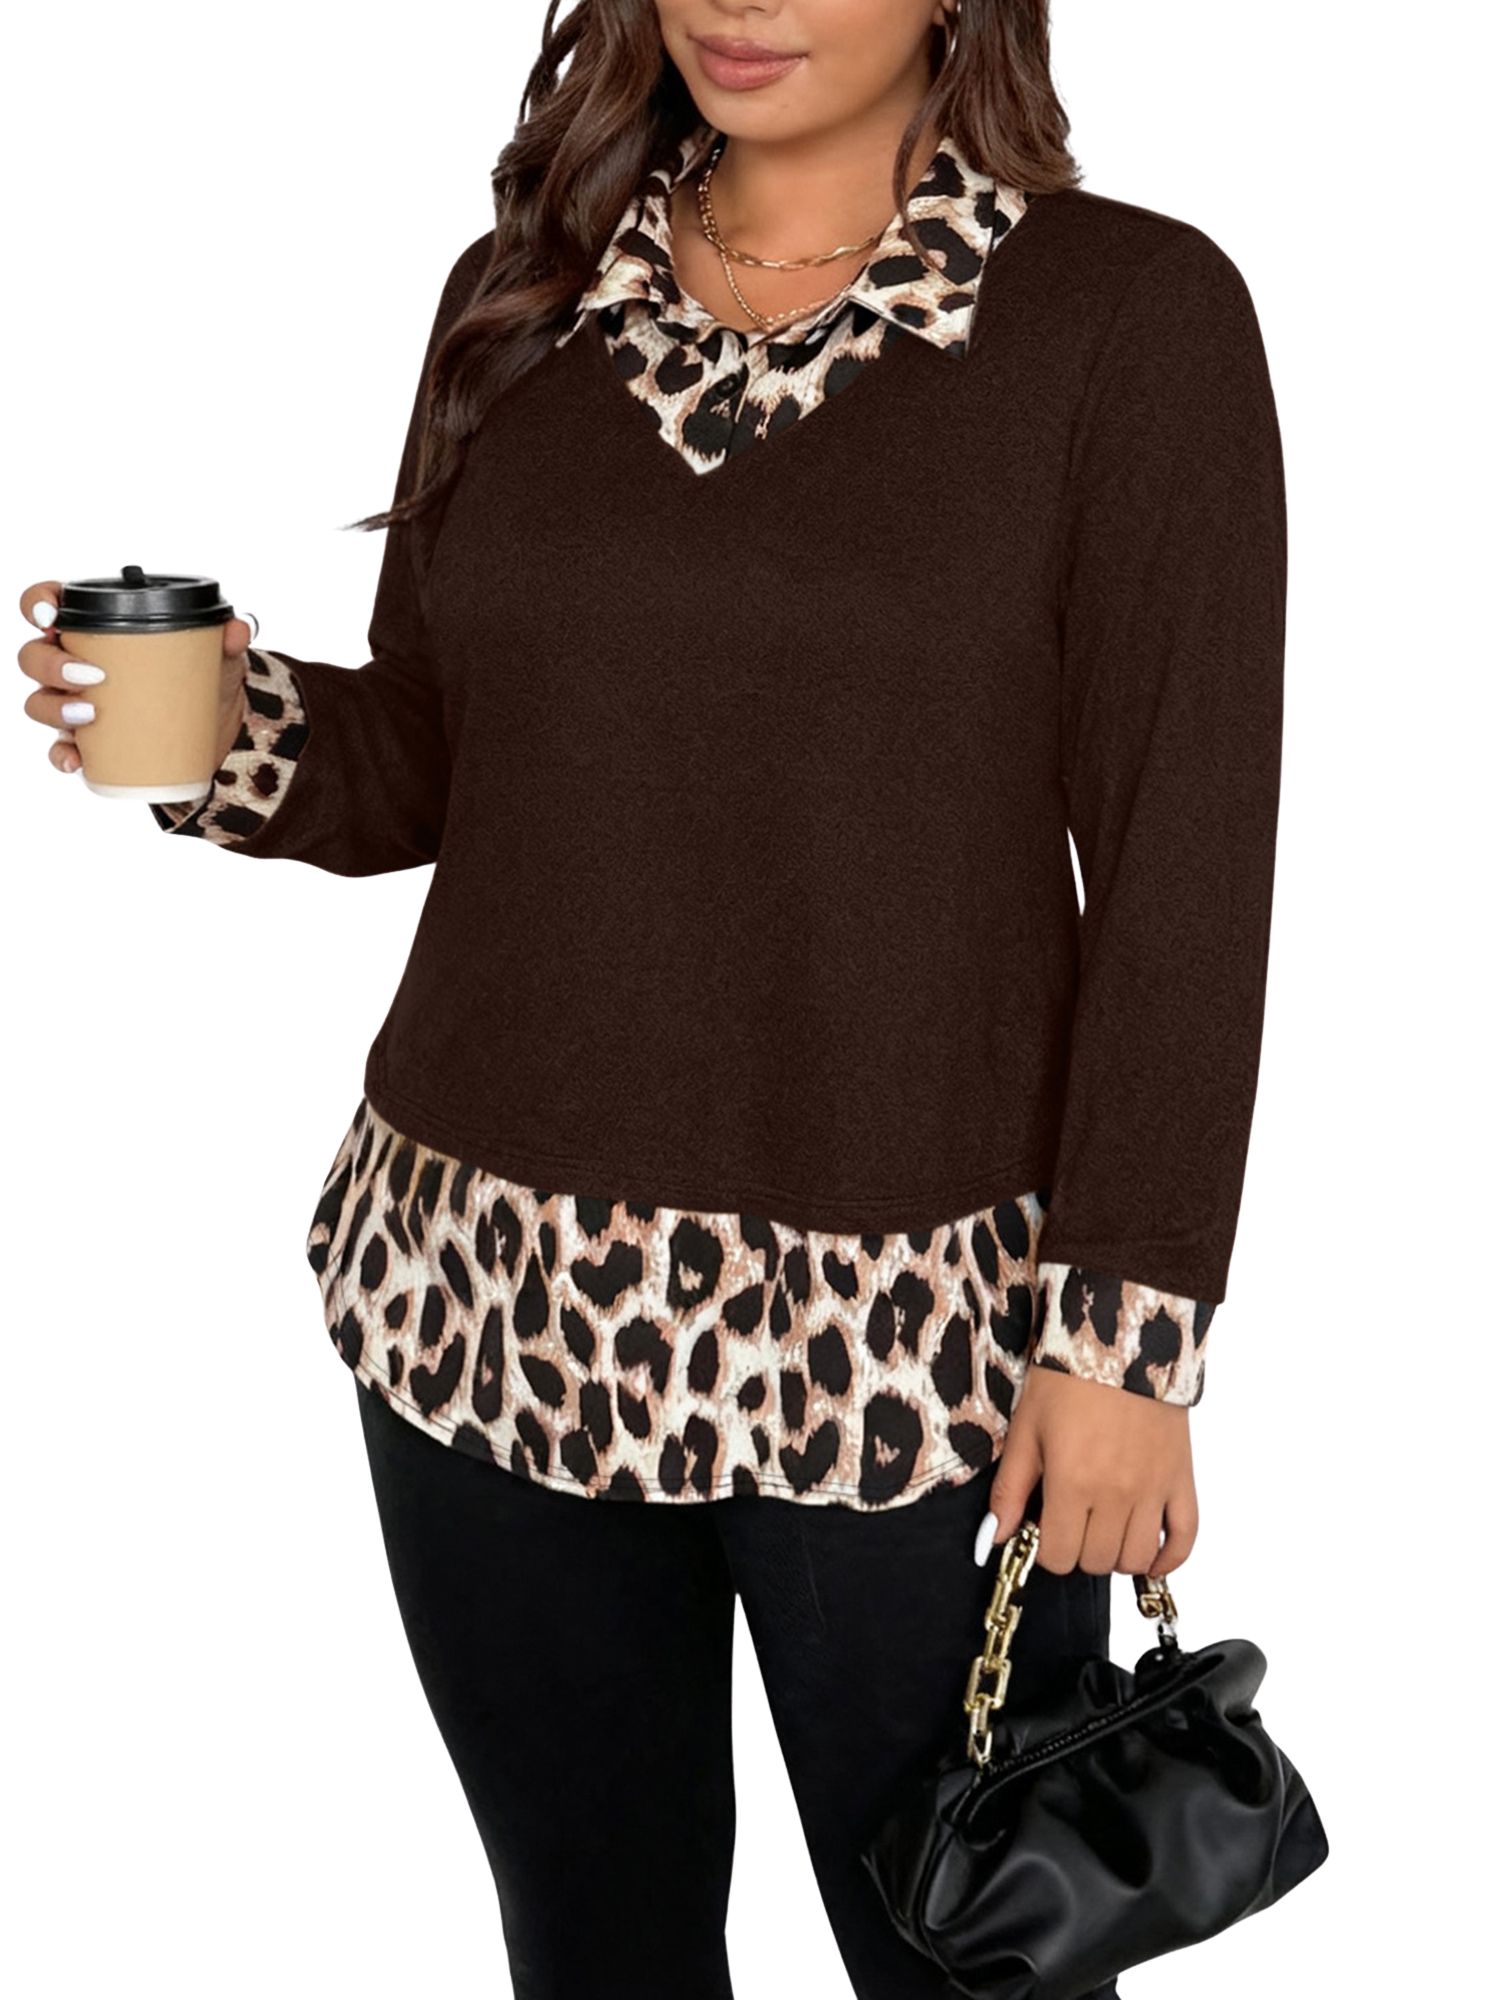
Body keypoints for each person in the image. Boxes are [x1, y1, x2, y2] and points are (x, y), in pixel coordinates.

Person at [17, 3, 1286, 1994]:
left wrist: (1126, 1341)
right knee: (593, 1950)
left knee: (972, 1969)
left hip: (912, 1358)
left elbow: (1182, 871)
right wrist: (218, 731)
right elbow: (437, 759)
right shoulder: (527, 291)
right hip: (483, 1303)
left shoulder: (1128, 317)